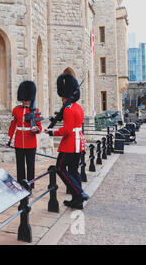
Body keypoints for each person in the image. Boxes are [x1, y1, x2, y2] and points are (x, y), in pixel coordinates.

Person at [44, 74, 90, 210]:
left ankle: (79, 193)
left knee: (60, 168)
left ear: (65, 96)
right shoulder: (78, 108)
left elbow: (67, 130)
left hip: (70, 144)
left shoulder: (68, 110)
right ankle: (77, 201)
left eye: (62, 98)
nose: (62, 100)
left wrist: (52, 132)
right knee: (74, 170)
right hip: (79, 143)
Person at [6, 81, 42, 192]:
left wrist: (36, 129)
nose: (26, 102)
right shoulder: (16, 110)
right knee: (20, 166)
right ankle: (21, 185)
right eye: (24, 100)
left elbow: (39, 127)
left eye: (28, 100)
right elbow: (12, 126)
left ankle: (30, 187)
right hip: (18, 142)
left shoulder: (35, 111)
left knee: (30, 166)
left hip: (30, 142)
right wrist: (9, 140)